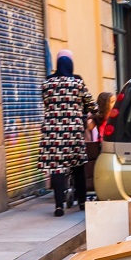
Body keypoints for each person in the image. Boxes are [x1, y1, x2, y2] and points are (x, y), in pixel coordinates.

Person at [40, 52, 95, 216]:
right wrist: (87, 111)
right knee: (77, 166)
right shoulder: (77, 83)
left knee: (56, 168)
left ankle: (58, 206)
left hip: (52, 132)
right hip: (73, 132)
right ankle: (83, 202)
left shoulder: (46, 83)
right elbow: (92, 105)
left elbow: (46, 103)